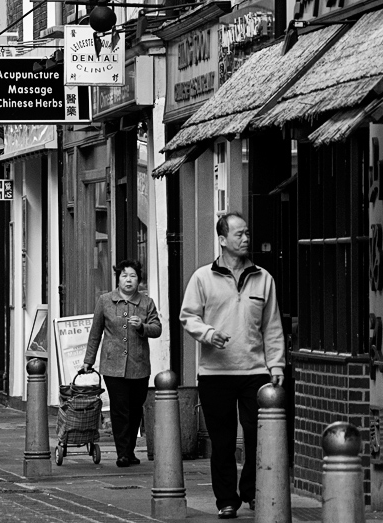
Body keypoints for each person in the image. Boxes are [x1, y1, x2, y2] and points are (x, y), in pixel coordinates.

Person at [179, 212, 286, 519]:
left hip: (255, 372)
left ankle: (252, 490)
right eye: (239, 234)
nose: (246, 239)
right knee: (223, 442)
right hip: (215, 374)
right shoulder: (202, 277)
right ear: (223, 240)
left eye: (248, 234)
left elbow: (273, 327)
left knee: (257, 436)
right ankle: (227, 499)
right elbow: (188, 317)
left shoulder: (263, 278)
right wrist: (208, 334)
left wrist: (276, 366)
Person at [82, 260, 161, 468]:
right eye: (124, 275)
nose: (128, 280)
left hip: (139, 365)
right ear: (118, 278)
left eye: (133, 276)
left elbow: (157, 328)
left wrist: (143, 327)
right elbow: (95, 333)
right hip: (113, 365)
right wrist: (88, 361)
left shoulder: (147, 303)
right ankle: (123, 453)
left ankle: (130, 450)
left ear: (139, 280)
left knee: (135, 409)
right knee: (119, 409)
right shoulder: (105, 301)